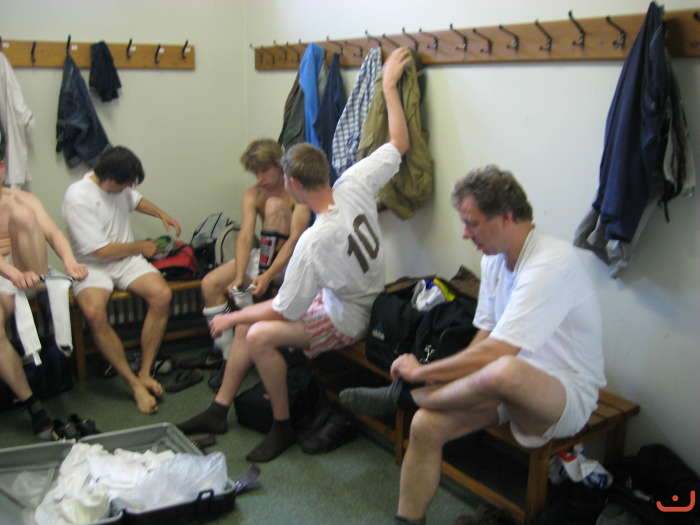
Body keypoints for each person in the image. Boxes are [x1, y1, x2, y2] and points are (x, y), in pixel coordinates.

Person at [177, 47, 413, 462]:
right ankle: (218, 410)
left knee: (258, 333)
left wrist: (229, 318)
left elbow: (284, 310)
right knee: (252, 324)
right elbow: (399, 142)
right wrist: (390, 85)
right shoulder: (354, 180)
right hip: (357, 294)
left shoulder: (314, 241)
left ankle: (282, 425)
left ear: (294, 184)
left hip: (350, 317)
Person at [342, 166, 606, 525]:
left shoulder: (551, 264)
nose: (465, 234)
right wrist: (438, 376)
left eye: (472, 223)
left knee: (505, 368)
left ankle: (406, 396)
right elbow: (485, 334)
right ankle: (408, 518)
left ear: (507, 217)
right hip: (501, 387)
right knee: (424, 425)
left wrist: (420, 373)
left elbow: (497, 352)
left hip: (562, 398)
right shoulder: (494, 259)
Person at [62, 146, 181, 414]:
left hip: (126, 260)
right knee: (94, 313)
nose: (129, 188)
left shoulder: (119, 185)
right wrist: (142, 246)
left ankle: (145, 372)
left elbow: (136, 200)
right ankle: (134, 384)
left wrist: (161, 214)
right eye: (125, 183)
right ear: (108, 179)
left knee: (162, 296)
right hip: (92, 265)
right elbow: (102, 251)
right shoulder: (78, 197)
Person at [0, 131, 88, 439]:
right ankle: (33, 405)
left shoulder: (20, 199)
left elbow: (52, 232)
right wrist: (10, 273)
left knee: (24, 214)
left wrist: (69, 261)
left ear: (1, 168)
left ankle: (34, 286)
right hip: (5, 276)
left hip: (29, 271)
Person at [199, 138, 311, 362]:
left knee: (274, 206)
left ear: (279, 165)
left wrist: (267, 276)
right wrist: (240, 275)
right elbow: (245, 235)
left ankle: (255, 298)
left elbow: (295, 240)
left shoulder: (298, 191)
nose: (260, 178)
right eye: (256, 173)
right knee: (210, 283)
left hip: (292, 261)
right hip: (264, 257)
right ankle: (228, 355)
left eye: (265, 171)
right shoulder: (253, 194)